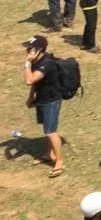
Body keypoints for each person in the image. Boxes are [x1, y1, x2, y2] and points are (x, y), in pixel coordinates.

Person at [24, 35, 65, 176]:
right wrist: (31, 97)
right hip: (41, 99)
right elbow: (35, 83)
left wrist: (27, 63)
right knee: (48, 130)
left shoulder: (46, 63)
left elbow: (30, 80)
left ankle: (59, 161)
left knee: (50, 131)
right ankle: (49, 154)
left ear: (38, 50)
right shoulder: (37, 61)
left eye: (30, 49)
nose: (27, 51)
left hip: (51, 101)